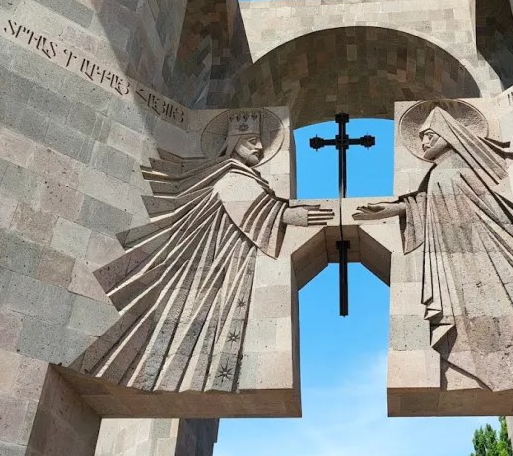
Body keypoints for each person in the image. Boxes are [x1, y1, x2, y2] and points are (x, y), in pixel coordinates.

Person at [75, 111, 332, 393]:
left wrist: (287, 212)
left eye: (259, 142)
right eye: (252, 141)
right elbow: (251, 206)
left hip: (227, 263)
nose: (259, 148)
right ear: (233, 142)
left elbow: (259, 205)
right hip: (208, 267)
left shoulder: (245, 177)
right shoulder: (229, 176)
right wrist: (288, 214)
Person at [355, 106, 513, 390]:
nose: (424, 143)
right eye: (422, 138)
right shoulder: (435, 175)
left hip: (488, 251)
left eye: (429, 136)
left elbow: (494, 206)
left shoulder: (465, 166)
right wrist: (388, 209)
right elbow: (421, 205)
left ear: (448, 134)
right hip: (455, 260)